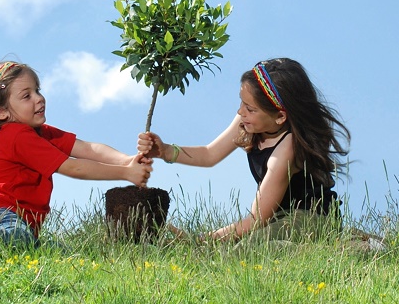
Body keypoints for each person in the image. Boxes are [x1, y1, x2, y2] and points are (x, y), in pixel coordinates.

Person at [139, 58, 379, 247]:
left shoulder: (288, 147)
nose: (240, 111)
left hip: (310, 218)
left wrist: (198, 240)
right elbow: (210, 154)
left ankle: (351, 246)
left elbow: (256, 220)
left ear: (280, 117)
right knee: (240, 248)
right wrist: (167, 150)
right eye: (242, 103)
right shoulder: (249, 120)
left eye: (250, 108)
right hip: (277, 217)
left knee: (248, 251)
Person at [0, 60, 153, 250]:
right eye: (26, 96)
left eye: (37, 91)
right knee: (16, 237)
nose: (39, 98)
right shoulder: (16, 135)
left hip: (21, 224)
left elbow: (87, 148)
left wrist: (126, 160)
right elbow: (74, 167)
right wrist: (126, 173)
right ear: (1, 112)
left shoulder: (39, 132)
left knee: (61, 252)